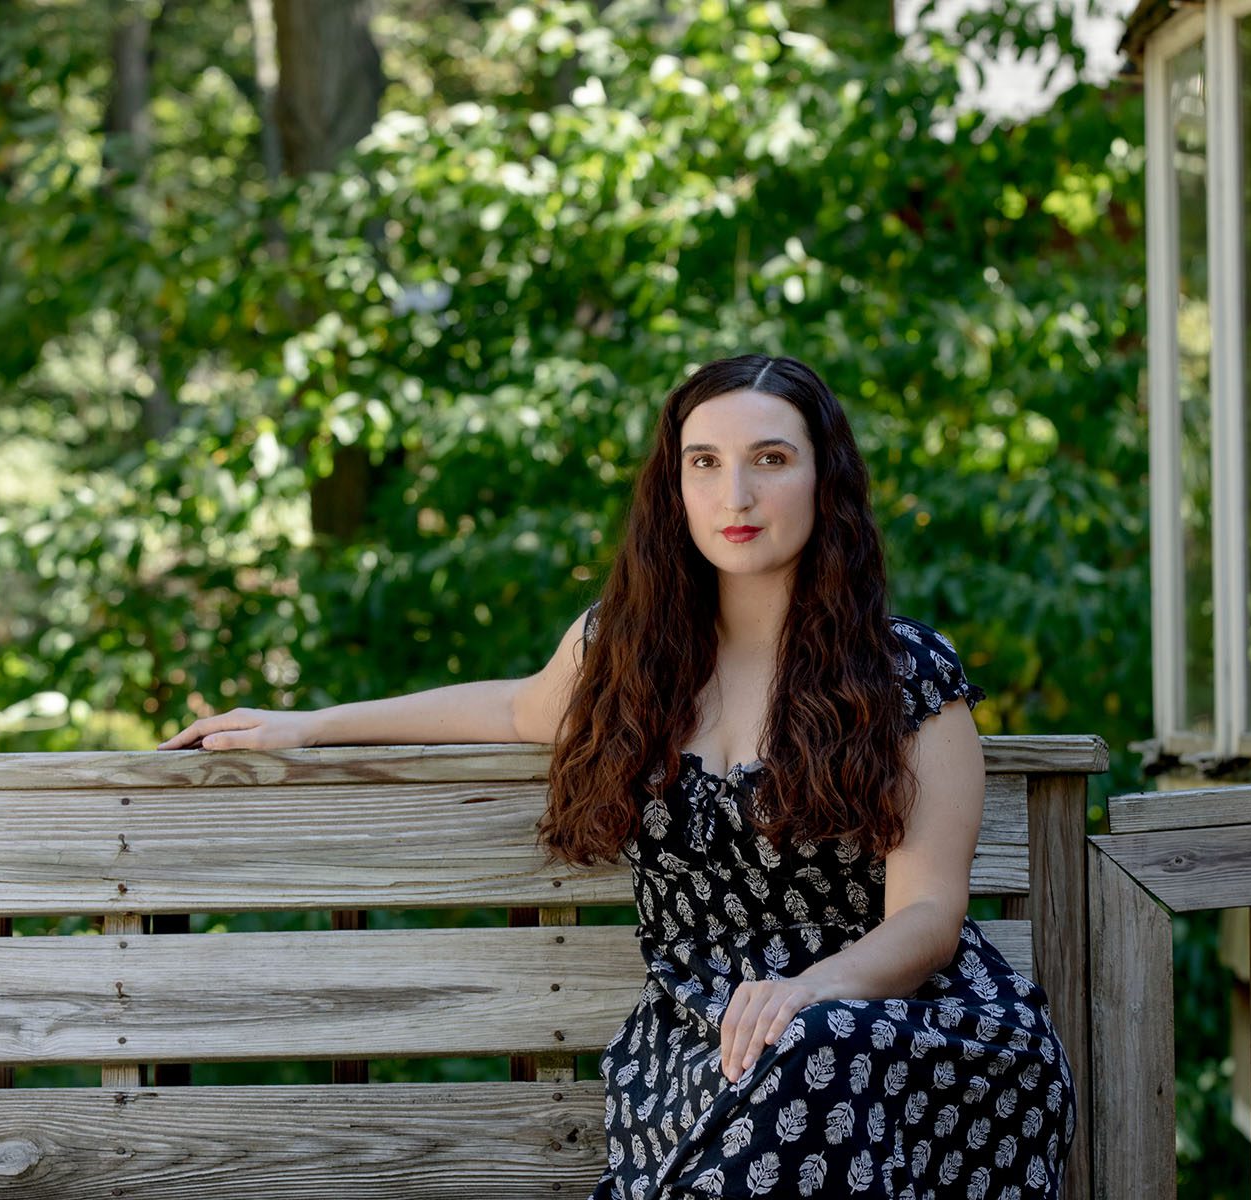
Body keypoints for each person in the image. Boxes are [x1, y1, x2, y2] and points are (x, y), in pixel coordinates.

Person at [158, 353, 1076, 1199]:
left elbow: (927, 919)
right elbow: (512, 710)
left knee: (814, 1054)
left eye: (769, 458)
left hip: (903, 1036)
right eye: (704, 463)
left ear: (822, 477)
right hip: (694, 1042)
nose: (738, 492)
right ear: (673, 486)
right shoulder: (632, 655)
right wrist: (309, 724)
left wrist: (810, 991)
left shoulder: (906, 673)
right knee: (777, 1077)